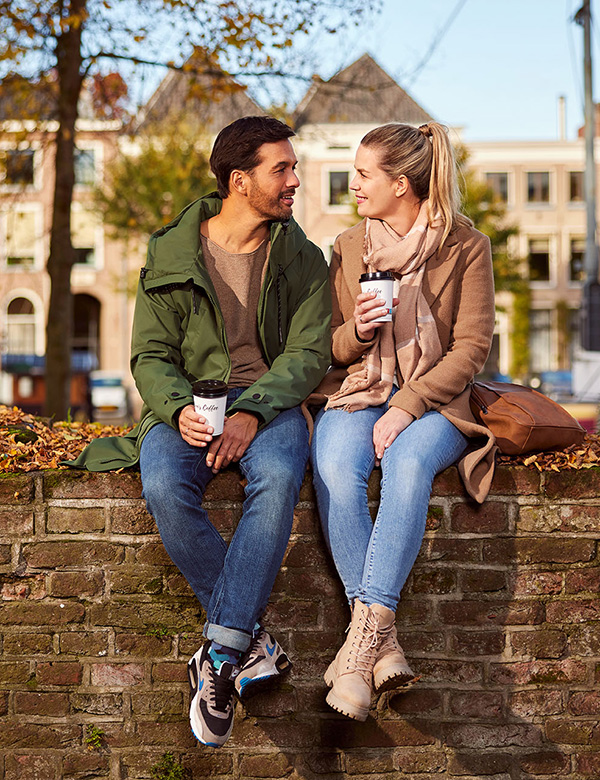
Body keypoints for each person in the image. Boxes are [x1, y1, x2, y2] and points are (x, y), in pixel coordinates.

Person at [69, 116, 331, 747]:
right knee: (161, 483)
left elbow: (309, 353)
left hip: (269, 405)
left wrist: (253, 411)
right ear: (240, 181)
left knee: (275, 479)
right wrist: (177, 406)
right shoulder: (171, 252)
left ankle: (218, 656)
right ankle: (250, 639)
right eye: (282, 169)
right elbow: (149, 355)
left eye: (293, 168)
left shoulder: (301, 255)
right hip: (189, 403)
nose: (295, 180)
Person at [310, 122, 496, 722]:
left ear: (403, 182)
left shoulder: (467, 246)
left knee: (411, 462)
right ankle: (383, 644)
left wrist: (407, 404)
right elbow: (329, 345)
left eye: (364, 175)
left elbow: (471, 351)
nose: (353, 184)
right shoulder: (345, 246)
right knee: (336, 465)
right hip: (360, 388)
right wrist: (358, 331)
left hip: (437, 402)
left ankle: (359, 648)